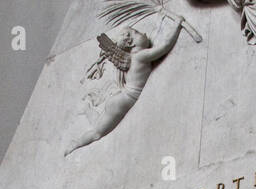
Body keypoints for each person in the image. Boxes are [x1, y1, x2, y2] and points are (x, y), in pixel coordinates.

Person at [65, 19, 187, 156]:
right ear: (130, 43)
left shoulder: (136, 56)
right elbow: (164, 46)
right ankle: (75, 145)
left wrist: (161, 20)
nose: (144, 33)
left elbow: (155, 37)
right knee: (97, 133)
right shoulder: (140, 56)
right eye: (137, 32)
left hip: (120, 99)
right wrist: (177, 26)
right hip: (124, 100)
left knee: (100, 126)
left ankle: (87, 110)